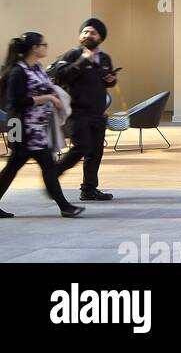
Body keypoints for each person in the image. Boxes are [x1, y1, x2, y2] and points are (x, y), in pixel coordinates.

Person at [0, 31, 85, 218]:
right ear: (34, 48)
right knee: (44, 165)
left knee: (15, 167)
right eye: (43, 45)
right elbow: (16, 102)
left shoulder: (36, 68)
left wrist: (54, 96)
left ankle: (65, 206)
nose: (46, 47)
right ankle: (65, 206)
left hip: (37, 128)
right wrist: (47, 98)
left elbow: (47, 85)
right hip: (22, 127)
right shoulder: (18, 72)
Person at [51, 18, 117, 202]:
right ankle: (53, 173)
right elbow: (61, 76)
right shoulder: (72, 55)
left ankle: (89, 189)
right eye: (85, 32)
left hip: (97, 113)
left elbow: (104, 80)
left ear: (100, 37)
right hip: (76, 112)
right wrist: (82, 60)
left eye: (92, 32)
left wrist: (111, 80)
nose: (88, 35)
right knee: (82, 147)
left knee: (96, 152)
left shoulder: (104, 58)